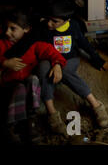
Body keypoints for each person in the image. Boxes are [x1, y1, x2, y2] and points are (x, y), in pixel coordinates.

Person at [36, 0, 108, 134]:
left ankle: (96, 104)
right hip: (48, 60)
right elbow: (42, 49)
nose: (49, 23)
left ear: (66, 20)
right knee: (43, 68)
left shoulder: (74, 26)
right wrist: (55, 63)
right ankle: (51, 112)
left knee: (65, 70)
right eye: (48, 19)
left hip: (70, 59)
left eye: (54, 21)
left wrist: (98, 60)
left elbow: (84, 44)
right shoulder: (44, 28)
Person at [0, 9, 67, 144]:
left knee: (33, 79)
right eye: (6, 28)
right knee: (19, 87)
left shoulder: (33, 44)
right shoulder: (2, 44)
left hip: (25, 84)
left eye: (13, 29)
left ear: (26, 30)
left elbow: (51, 52)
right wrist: (5, 63)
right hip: (8, 85)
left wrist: (58, 64)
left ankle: (31, 122)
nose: (7, 32)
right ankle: (11, 126)